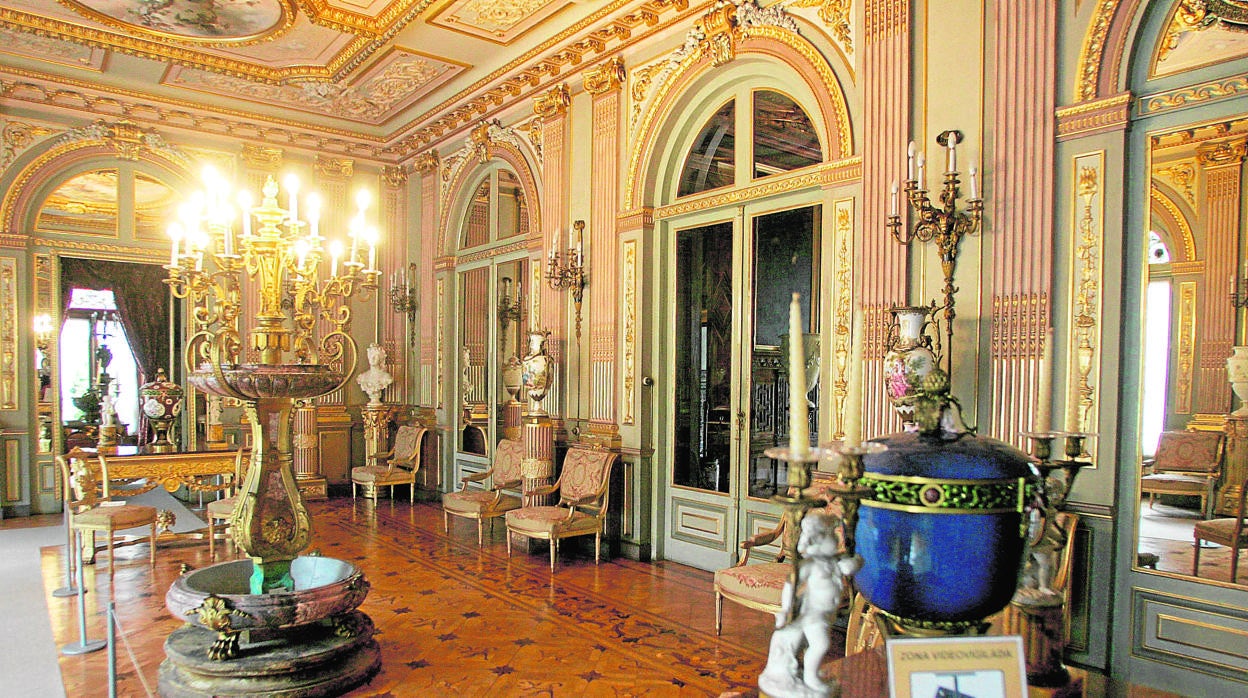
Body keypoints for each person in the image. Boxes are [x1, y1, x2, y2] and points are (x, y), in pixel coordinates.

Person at [759, 512, 862, 697]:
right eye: (829, 536)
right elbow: (792, 583)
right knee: (820, 644)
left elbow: (852, 565)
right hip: (814, 613)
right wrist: (787, 608)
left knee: (811, 644)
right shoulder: (811, 564)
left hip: (828, 613)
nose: (834, 540)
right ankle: (811, 677)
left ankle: (805, 673)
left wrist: (855, 562)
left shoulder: (832, 561)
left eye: (833, 535)